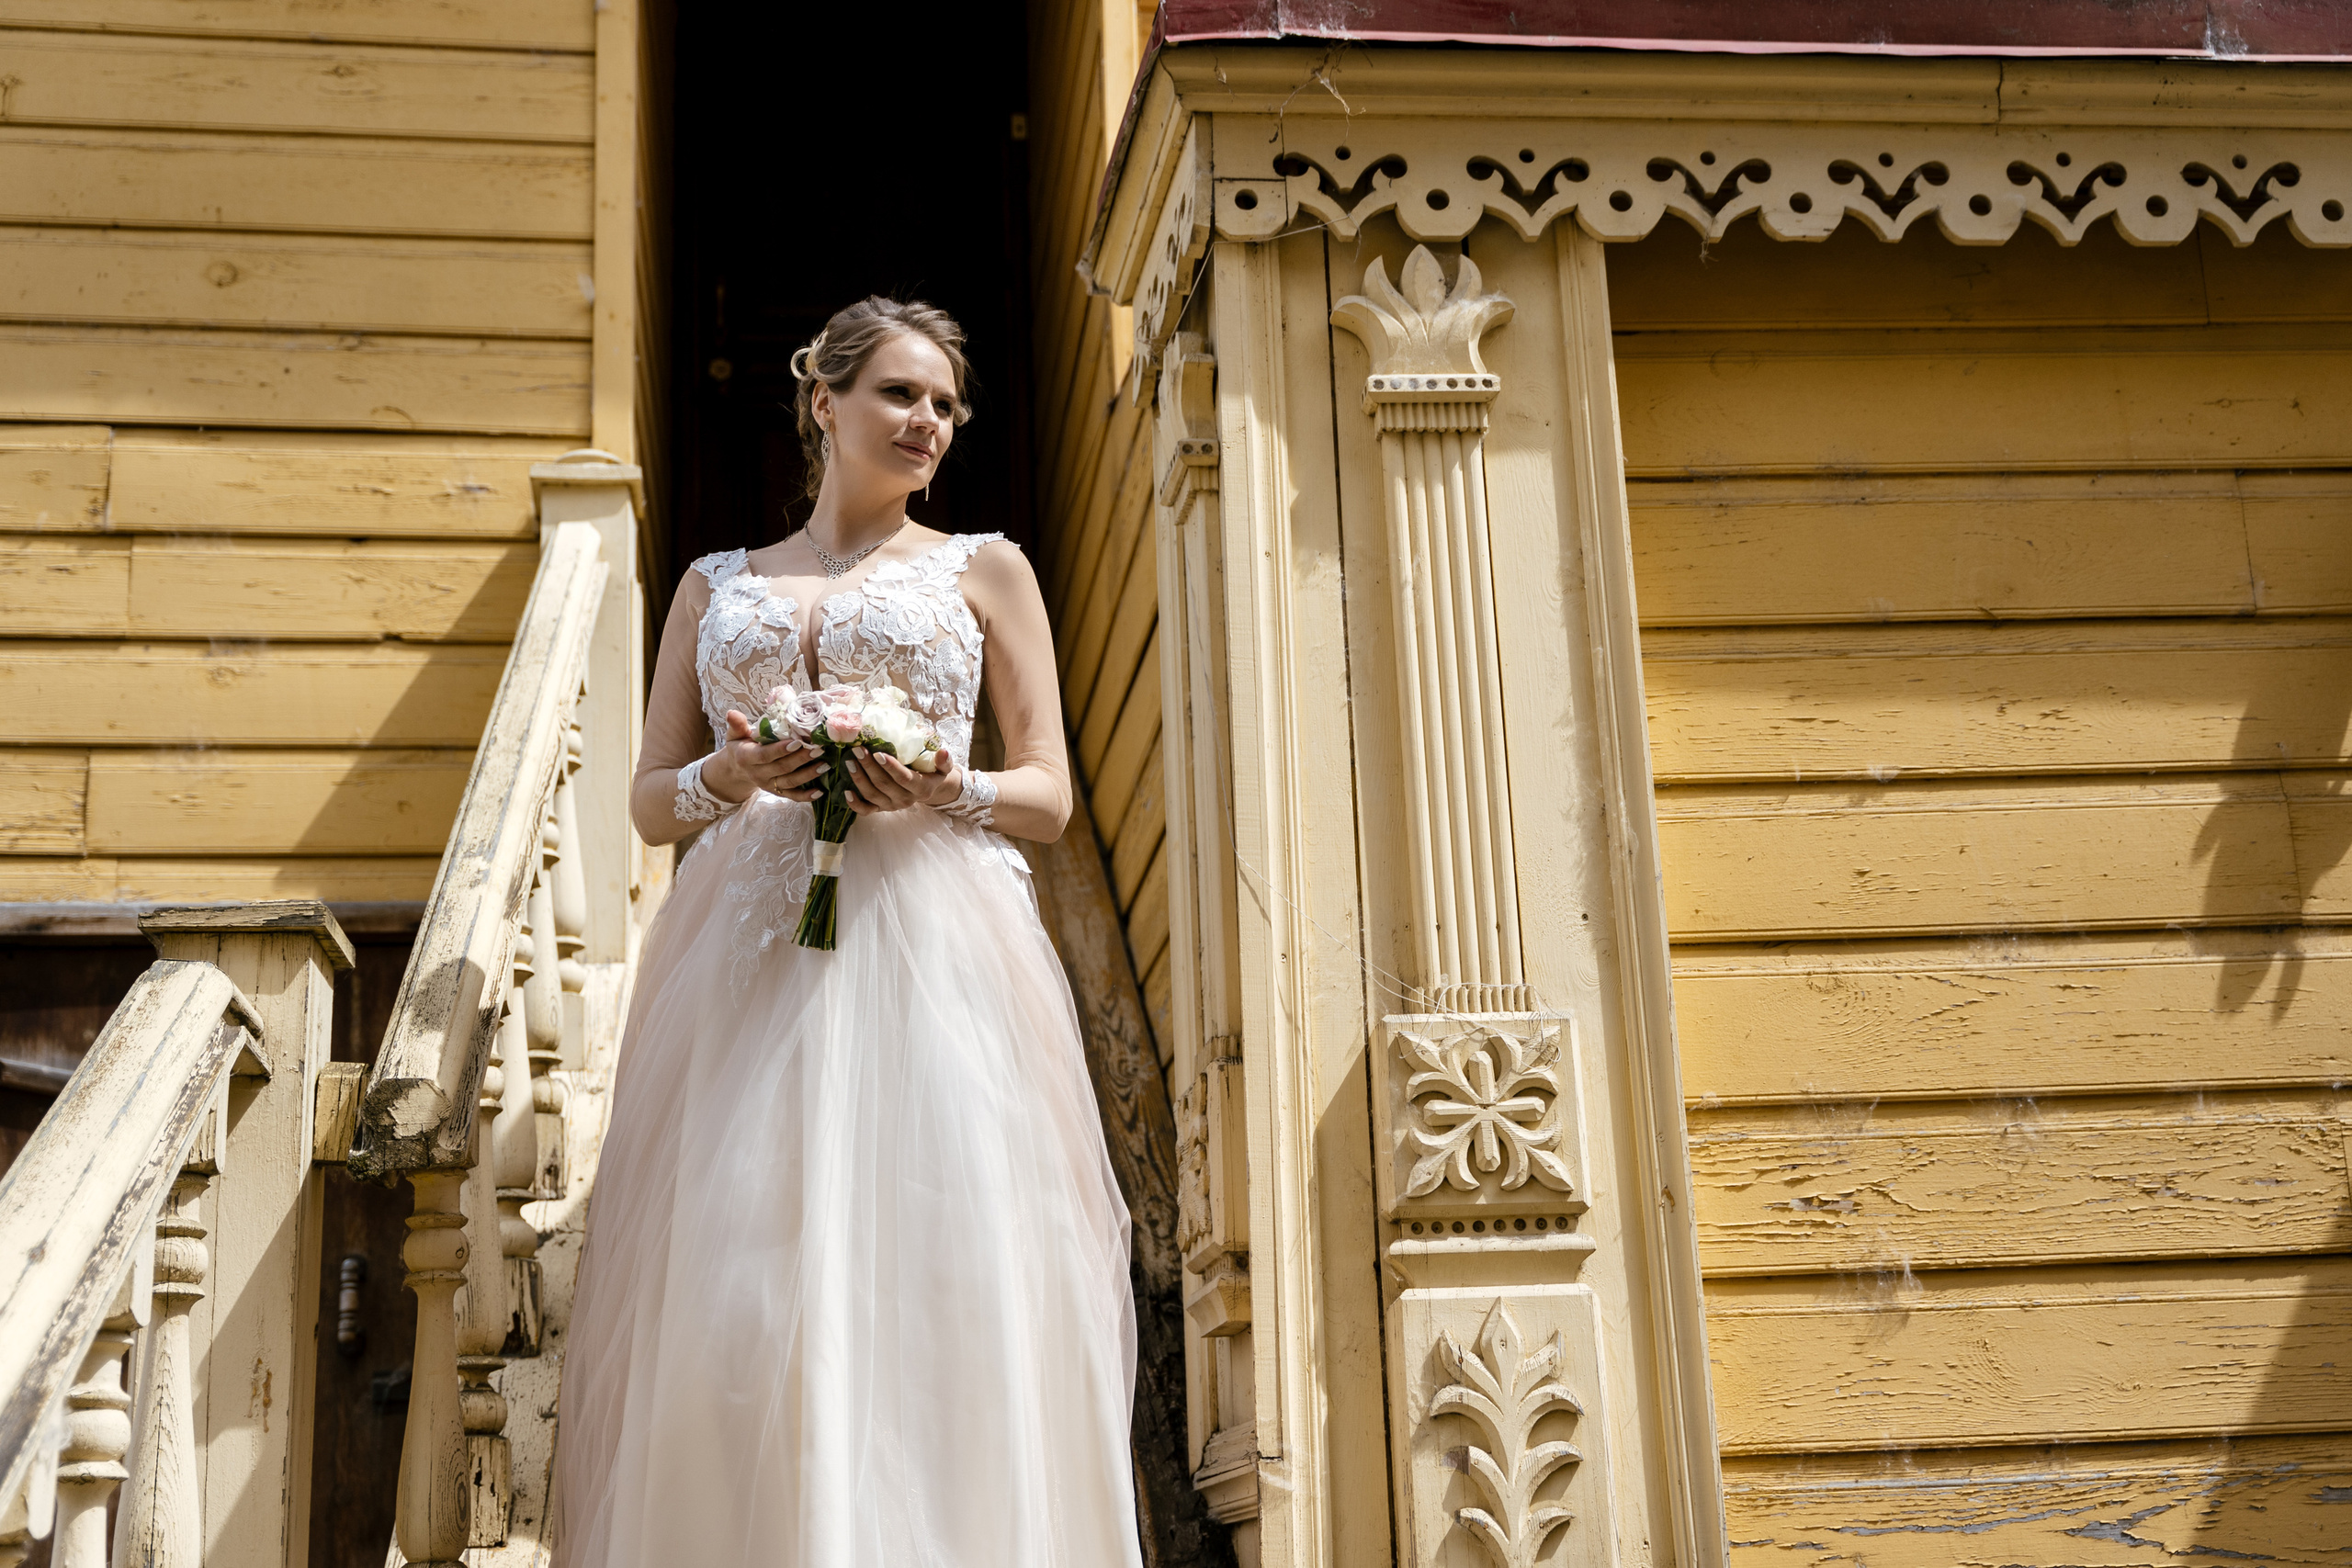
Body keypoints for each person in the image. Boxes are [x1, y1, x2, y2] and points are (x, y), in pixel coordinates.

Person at [550, 297, 1145, 1567]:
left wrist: (950, 788)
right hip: (746, 949)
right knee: (740, 1285)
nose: (930, 421)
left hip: (932, 941)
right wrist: (736, 775)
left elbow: (1045, 790)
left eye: (946, 405)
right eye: (901, 394)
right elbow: (653, 800)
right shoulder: (716, 585)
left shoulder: (985, 567)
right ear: (823, 399)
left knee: (939, 1266)